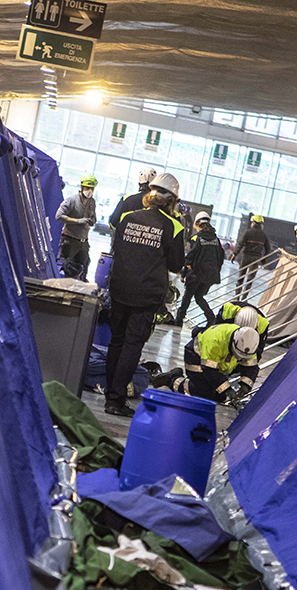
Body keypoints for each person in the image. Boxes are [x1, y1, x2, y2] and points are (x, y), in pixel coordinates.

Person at [104, 173, 185, 417]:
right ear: (172, 200)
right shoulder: (174, 227)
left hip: (119, 288)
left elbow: (117, 247)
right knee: (132, 344)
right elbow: (175, 265)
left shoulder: (128, 217)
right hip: (146, 294)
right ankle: (116, 400)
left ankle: (110, 392)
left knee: (116, 341)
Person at [151, 323, 260, 402]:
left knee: (218, 396)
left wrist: (245, 385)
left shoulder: (249, 343)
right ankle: (172, 379)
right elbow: (210, 370)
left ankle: (176, 376)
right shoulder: (216, 340)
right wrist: (227, 388)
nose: (239, 357)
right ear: (233, 342)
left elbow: (251, 366)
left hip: (217, 364)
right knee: (203, 393)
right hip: (196, 356)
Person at [175, 212, 224, 327]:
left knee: (187, 297)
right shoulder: (216, 239)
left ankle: (179, 320)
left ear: (197, 224)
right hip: (211, 275)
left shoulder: (196, 238)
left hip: (197, 273)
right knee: (199, 296)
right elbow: (220, 258)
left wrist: (184, 273)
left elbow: (190, 257)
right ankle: (211, 318)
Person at [55, 174, 98, 280]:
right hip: (70, 240)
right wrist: (77, 221)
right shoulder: (71, 200)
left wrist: (92, 221)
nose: (90, 191)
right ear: (82, 187)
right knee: (68, 268)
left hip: (83, 242)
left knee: (84, 267)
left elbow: (93, 217)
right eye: (87, 188)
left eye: (92, 188)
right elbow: (59, 216)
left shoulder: (92, 202)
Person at [234, 214, 271, 301]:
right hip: (256, 258)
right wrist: (264, 259)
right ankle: (244, 298)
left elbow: (240, 244)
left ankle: (236, 297)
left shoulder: (248, 232)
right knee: (250, 280)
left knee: (241, 277)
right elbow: (268, 248)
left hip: (245, 257)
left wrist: (235, 254)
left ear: (253, 223)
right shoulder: (264, 235)